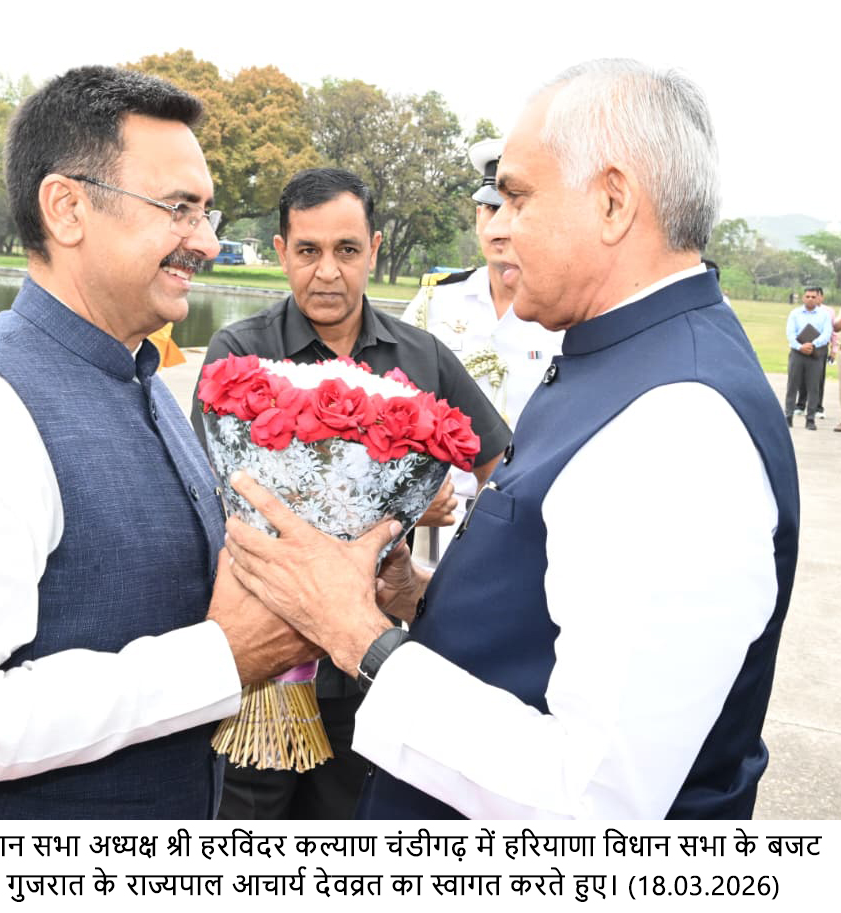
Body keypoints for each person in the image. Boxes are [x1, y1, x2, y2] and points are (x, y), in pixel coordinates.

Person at [223, 59, 799, 819]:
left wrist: (357, 634)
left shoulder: (679, 425)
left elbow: (597, 800)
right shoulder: (617, 355)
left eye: (518, 198)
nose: (494, 227)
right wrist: (420, 598)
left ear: (613, 202)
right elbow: (557, 619)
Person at [0, 65, 317, 820]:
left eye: (206, 213)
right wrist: (218, 658)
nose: (205, 241)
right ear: (67, 208)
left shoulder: (143, 379)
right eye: (178, 208)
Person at [191, 167, 511, 819]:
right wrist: (400, 504)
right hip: (262, 664)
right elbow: (215, 491)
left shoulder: (422, 357)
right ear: (281, 251)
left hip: (367, 661)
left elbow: (503, 470)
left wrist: (447, 549)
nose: (328, 272)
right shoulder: (240, 354)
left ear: (374, 249)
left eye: (346, 250)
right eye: (308, 250)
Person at [402, 138, 563, 561]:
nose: (500, 225)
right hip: (439, 523)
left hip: (530, 525)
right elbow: (393, 400)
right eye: (491, 209)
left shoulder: (564, 312)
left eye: (516, 209)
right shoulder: (436, 301)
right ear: (478, 216)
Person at [784, 286, 833, 429]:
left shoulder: (824, 315)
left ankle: (810, 419)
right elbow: (790, 333)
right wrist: (800, 346)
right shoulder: (795, 313)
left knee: (814, 387)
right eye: (807, 296)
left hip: (815, 354)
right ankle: (788, 416)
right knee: (792, 385)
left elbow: (826, 334)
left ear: (818, 298)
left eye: (813, 297)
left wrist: (812, 344)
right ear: (803, 297)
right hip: (797, 353)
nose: (810, 299)